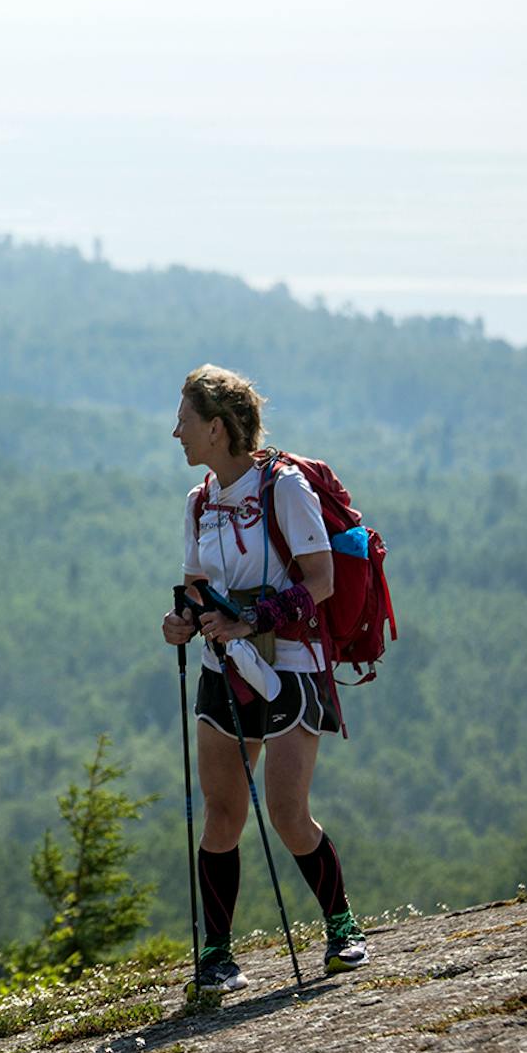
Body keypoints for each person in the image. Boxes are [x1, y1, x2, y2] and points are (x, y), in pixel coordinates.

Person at [161, 364, 368, 993]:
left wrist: (250, 620)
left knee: (285, 812)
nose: (175, 433)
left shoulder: (285, 489)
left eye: (186, 420)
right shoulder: (201, 501)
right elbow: (200, 586)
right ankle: (218, 955)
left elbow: (321, 581)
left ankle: (343, 928)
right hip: (223, 669)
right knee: (222, 814)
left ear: (218, 429)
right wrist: (184, 620)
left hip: (291, 666)